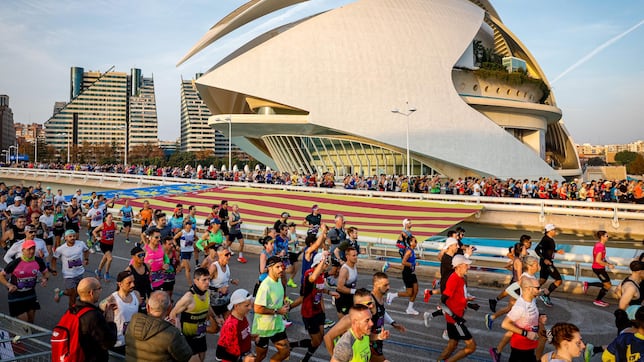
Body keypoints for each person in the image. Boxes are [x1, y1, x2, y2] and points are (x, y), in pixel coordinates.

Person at [290, 252, 340, 361]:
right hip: (309, 313)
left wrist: (328, 292)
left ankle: (292, 346)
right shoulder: (309, 274)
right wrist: (322, 260)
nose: (327, 265)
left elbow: (321, 286)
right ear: (319, 263)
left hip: (318, 311)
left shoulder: (322, 274)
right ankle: (298, 353)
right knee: (316, 341)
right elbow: (312, 279)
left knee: (318, 340)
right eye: (326, 263)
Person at [125, 290, 193, 362]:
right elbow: (186, 356)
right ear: (169, 308)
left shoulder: (133, 322)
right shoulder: (172, 334)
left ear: (148, 307)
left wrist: (164, 325)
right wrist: (179, 332)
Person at [437, 254, 477, 361]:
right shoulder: (454, 279)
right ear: (458, 266)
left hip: (456, 318)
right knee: (471, 346)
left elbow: (456, 298)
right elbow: (443, 300)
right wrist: (454, 316)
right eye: (466, 265)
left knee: (452, 345)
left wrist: (468, 303)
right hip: (455, 321)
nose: (468, 267)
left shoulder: (461, 279)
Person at [169, 267, 214, 362]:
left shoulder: (207, 292)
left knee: (202, 358)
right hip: (188, 338)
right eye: (204, 280)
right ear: (196, 281)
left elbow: (207, 306)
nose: (207, 282)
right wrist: (178, 330)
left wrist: (216, 318)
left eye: (208, 279)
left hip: (201, 335)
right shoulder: (188, 298)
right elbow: (173, 313)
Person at [68, 277, 117, 361]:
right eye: (99, 288)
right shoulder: (93, 316)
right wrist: (110, 321)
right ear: (91, 293)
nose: (101, 291)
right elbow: (109, 342)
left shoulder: (71, 310)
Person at [0, 239, 50, 323]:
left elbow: (46, 273)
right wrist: (9, 285)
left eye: (33, 248)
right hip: (16, 295)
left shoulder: (38, 261)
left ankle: (22, 333)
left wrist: (45, 279)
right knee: (24, 321)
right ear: (23, 250)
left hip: (30, 294)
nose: (31, 251)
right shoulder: (15, 263)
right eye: (29, 249)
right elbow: (1, 275)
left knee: (30, 321)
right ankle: (16, 332)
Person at [252, 256, 291, 362]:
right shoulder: (265, 286)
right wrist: (278, 311)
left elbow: (278, 297)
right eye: (277, 267)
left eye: (281, 266)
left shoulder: (278, 280)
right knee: (260, 357)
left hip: (277, 325)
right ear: (269, 268)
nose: (281, 269)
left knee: (285, 351)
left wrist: (284, 302)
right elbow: (257, 308)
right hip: (263, 328)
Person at [500, 277, 545, 362]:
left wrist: (539, 318)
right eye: (538, 288)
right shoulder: (520, 307)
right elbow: (505, 324)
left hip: (530, 345)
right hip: (520, 347)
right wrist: (526, 333)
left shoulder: (531, 300)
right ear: (528, 288)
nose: (540, 290)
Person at [99, 271, 141, 355]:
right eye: (129, 283)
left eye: (133, 282)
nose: (133, 285)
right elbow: (100, 308)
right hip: (117, 343)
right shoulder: (113, 299)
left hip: (131, 341)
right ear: (120, 284)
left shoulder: (136, 294)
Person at [370, 272, 406, 362]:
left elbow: (382, 312)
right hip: (371, 341)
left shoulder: (380, 297)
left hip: (378, 338)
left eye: (388, 284)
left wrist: (393, 323)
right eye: (385, 285)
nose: (388, 287)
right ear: (376, 284)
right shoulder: (370, 302)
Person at [50, 229, 90, 308]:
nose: (72, 238)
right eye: (70, 236)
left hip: (79, 272)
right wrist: (53, 269)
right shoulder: (61, 248)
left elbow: (86, 250)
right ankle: (71, 311)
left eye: (74, 236)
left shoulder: (81, 244)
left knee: (78, 293)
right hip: (69, 275)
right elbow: (54, 259)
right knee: (72, 295)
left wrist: (86, 259)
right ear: (65, 238)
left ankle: (61, 293)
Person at [216, 289, 256, 362]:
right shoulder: (230, 325)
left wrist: (251, 337)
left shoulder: (243, 317)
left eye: (250, 304)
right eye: (247, 305)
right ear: (236, 306)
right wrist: (242, 359)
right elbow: (219, 354)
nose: (250, 308)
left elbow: (238, 337)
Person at [385, 236, 420, 315]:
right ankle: (392, 295)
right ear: (410, 243)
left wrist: (416, 258)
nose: (416, 242)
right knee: (409, 293)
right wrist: (414, 264)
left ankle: (410, 308)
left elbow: (410, 259)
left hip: (412, 273)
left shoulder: (411, 250)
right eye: (415, 241)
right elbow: (403, 262)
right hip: (407, 274)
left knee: (416, 291)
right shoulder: (408, 251)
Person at [583, 230, 615, 307]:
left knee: (607, 284)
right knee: (607, 285)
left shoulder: (599, 245)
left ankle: (587, 284)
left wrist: (607, 263)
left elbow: (602, 258)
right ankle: (597, 300)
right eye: (607, 236)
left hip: (599, 268)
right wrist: (608, 265)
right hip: (598, 268)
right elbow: (598, 260)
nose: (608, 237)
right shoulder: (600, 247)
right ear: (602, 237)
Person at [535, 224, 564, 307]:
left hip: (547, 263)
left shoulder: (550, 239)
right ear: (549, 231)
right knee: (558, 280)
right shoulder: (545, 239)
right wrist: (544, 259)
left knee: (542, 280)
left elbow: (547, 249)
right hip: (547, 264)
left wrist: (556, 251)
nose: (555, 231)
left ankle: (530, 293)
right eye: (554, 230)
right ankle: (545, 295)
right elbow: (537, 249)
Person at [208, 245, 239, 319]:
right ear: (219, 255)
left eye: (229, 254)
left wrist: (231, 280)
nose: (229, 257)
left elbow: (223, 278)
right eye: (226, 255)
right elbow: (205, 284)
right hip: (215, 302)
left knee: (227, 322)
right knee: (215, 328)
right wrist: (218, 289)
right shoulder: (214, 267)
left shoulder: (226, 265)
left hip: (226, 300)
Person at [615, 260, 643, 334]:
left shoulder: (627, 280)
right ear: (640, 271)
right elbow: (621, 307)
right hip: (630, 322)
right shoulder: (631, 287)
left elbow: (617, 290)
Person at [92, 212, 117, 281]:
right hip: (104, 244)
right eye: (109, 217)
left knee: (104, 259)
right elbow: (94, 231)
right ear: (106, 218)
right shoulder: (103, 225)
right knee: (110, 258)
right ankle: (106, 273)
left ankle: (98, 271)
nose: (111, 218)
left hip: (110, 244)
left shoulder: (114, 224)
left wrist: (117, 231)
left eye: (112, 217)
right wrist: (97, 237)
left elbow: (117, 229)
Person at [335, 247, 359, 319]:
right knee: (344, 324)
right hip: (342, 299)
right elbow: (339, 287)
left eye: (356, 255)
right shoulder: (345, 270)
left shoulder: (354, 265)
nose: (356, 257)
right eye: (353, 256)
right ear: (347, 257)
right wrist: (355, 291)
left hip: (350, 297)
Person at [128, 246, 152, 313]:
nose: (142, 257)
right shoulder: (129, 270)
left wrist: (150, 297)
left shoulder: (147, 266)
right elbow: (126, 288)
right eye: (139, 255)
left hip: (146, 297)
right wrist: (135, 298)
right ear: (133, 257)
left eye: (143, 255)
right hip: (135, 299)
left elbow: (148, 282)